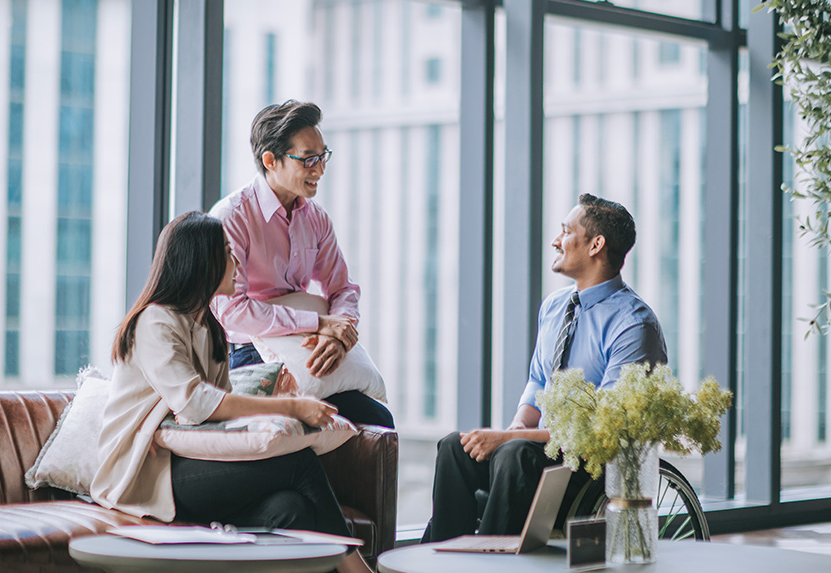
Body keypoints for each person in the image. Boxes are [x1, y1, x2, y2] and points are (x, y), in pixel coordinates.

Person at [90, 212, 374, 573]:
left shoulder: (209, 327)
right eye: (227, 252)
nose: (237, 262)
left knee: (292, 508)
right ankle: (358, 570)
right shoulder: (155, 321)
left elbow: (221, 416)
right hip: (146, 471)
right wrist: (292, 408)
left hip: (187, 461)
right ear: (201, 260)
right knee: (300, 464)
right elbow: (195, 404)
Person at [421, 194, 667, 542]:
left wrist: (511, 438)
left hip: (590, 468)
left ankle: (491, 570)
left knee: (515, 452)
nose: (556, 240)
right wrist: (518, 425)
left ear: (596, 245)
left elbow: (602, 432)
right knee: (453, 448)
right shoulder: (554, 307)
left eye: (566, 231)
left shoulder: (633, 324)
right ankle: (443, 561)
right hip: (539, 452)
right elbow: (539, 382)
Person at [209, 99, 393, 428]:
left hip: (304, 346)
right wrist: (318, 323)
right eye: (308, 159)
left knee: (377, 421)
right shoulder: (232, 217)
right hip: (247, 352)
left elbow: (343, 289)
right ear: (270, 160)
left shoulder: (316, 218)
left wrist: (339, 334)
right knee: (298, 430)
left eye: (323, 157)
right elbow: (231, 310)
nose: (320, 169)